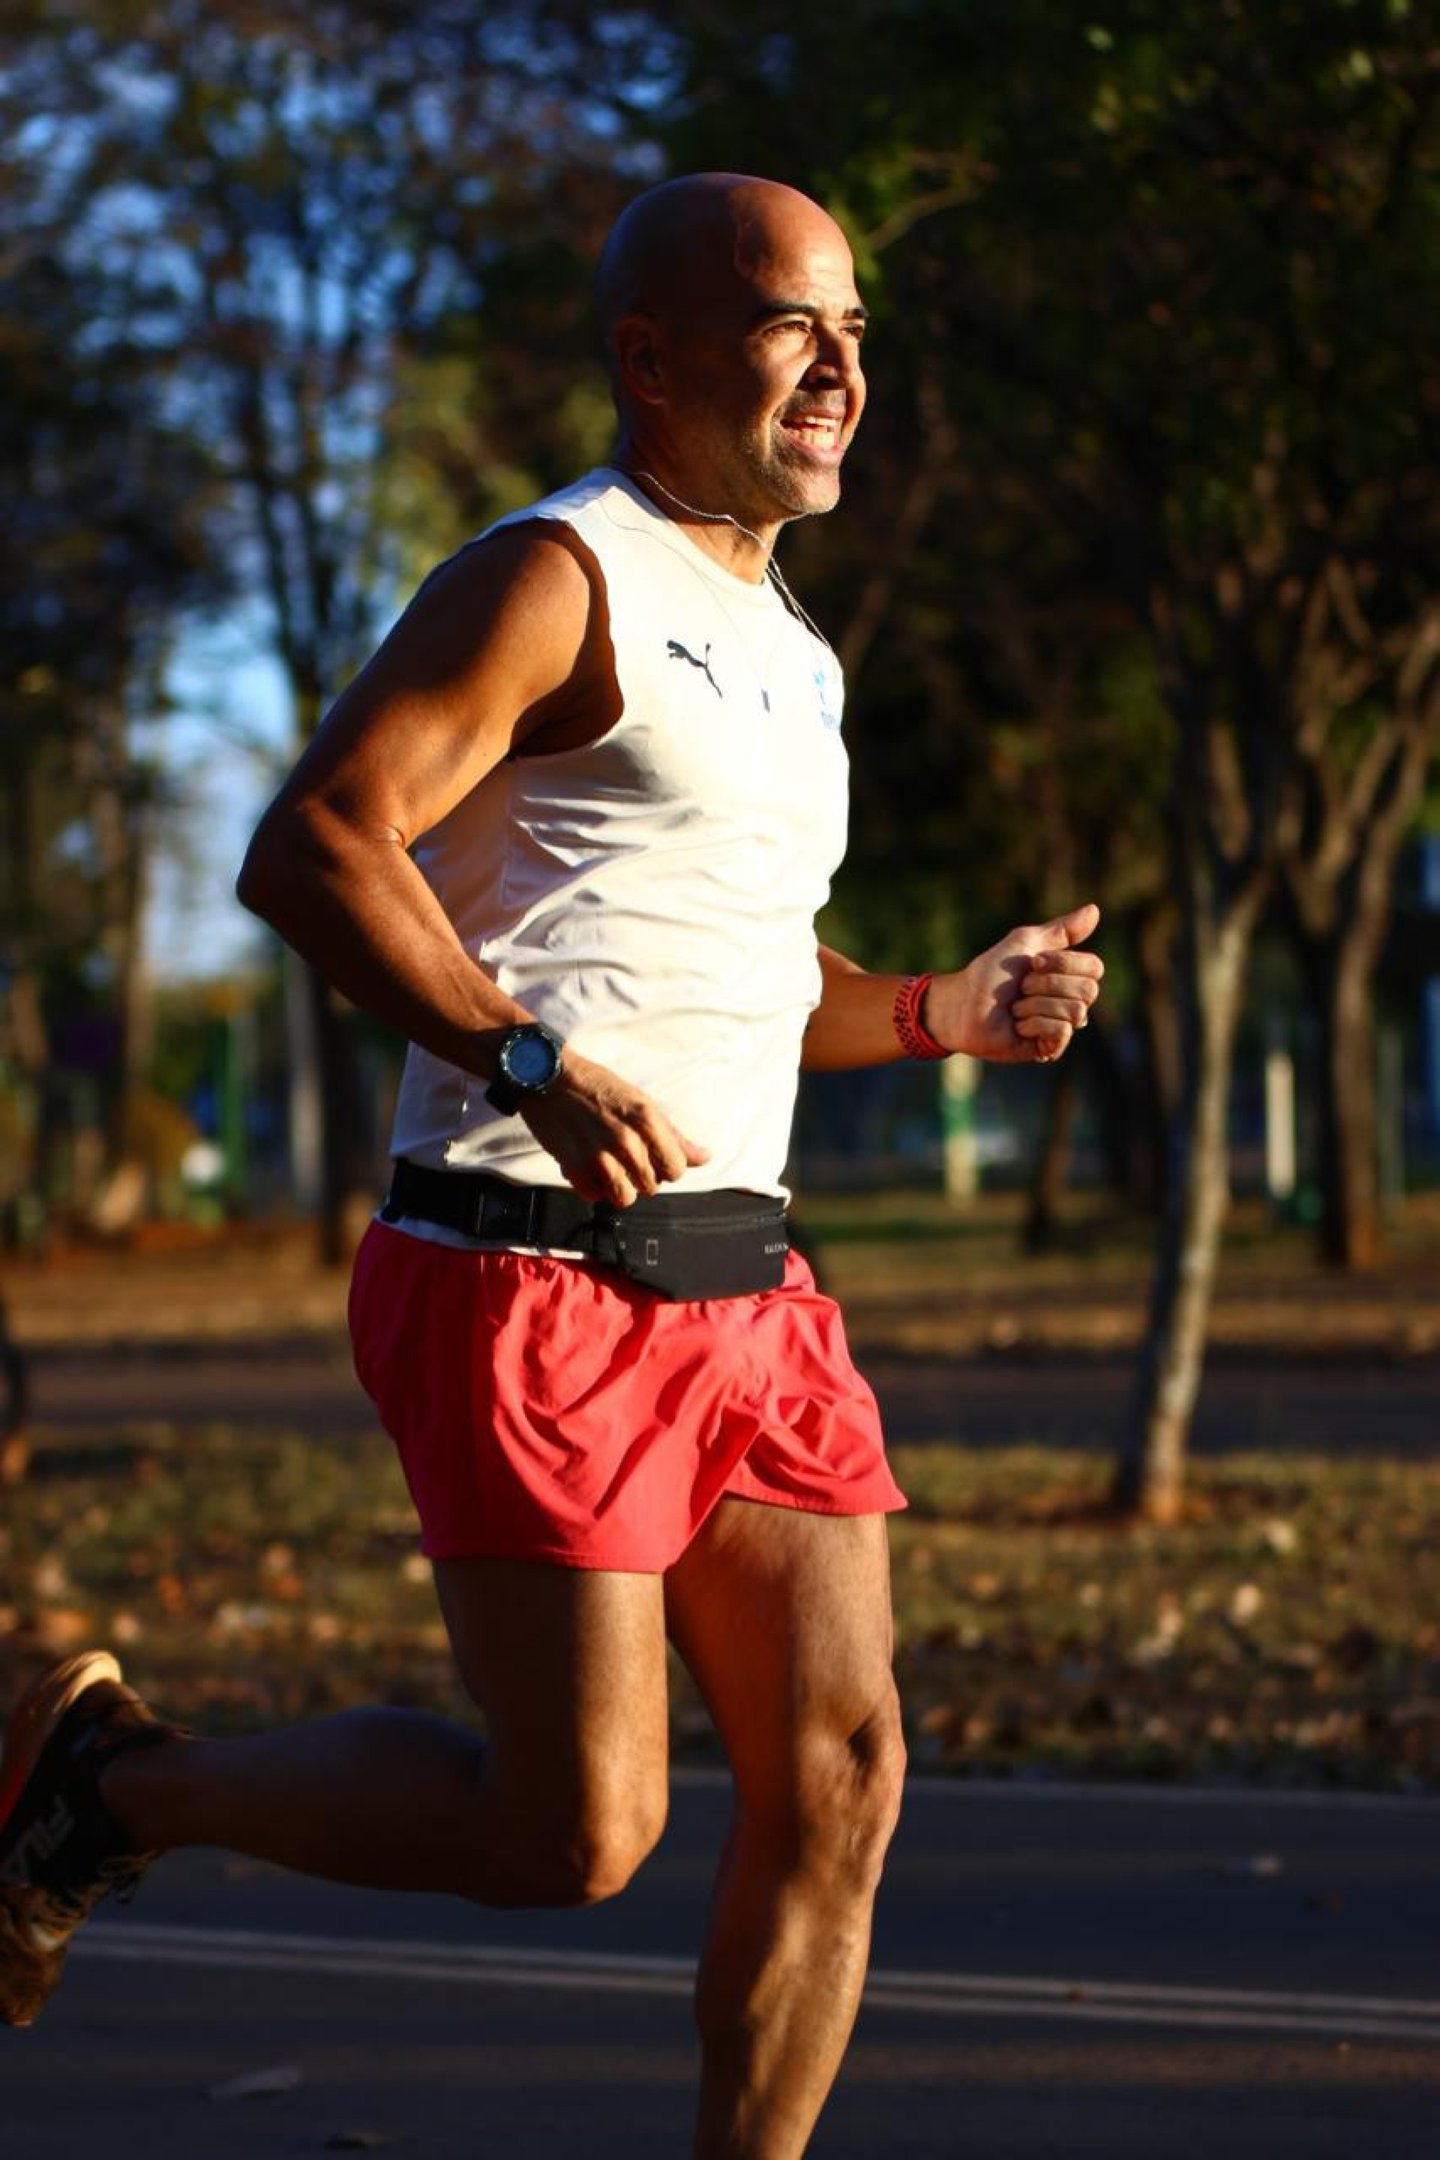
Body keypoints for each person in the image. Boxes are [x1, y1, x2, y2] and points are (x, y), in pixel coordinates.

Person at [0, 173, 1103, 2154]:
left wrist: (947, 1008)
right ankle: (110, 1782)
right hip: (529, 1267)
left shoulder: (796, 651)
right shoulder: (553, 576)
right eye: (792, 325)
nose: (842, 371)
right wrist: (520, 1052)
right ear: (650, 357)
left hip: (747, 1286)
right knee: (576, 1831)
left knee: (847, 1772)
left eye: (856, 330)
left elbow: (749, 977)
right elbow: (315, 843)